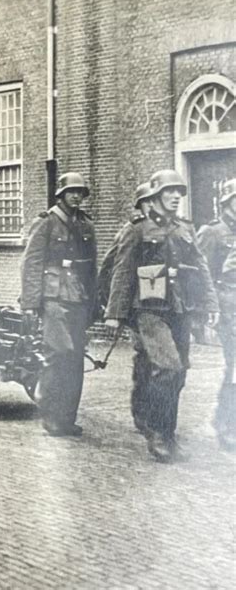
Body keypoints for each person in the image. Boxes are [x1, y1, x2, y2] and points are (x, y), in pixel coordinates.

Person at [105, 170, 219, 462]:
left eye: (179, 192)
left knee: (178, 371)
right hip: (148, 309)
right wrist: (114, 313)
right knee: (167, 367)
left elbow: (201, 267)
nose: (175, 197)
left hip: (179, 308)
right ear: (154, 198)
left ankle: (158, 424)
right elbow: (122, 272)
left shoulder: (185, 228)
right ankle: (159, 434)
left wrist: (210, 304)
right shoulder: (136, 230)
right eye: (169, 192)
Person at [20, 172, 97, 437]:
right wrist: (31, 302)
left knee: (75, 358)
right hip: (52, 296)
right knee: (59, 352)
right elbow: (31, 263)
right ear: (61, 195)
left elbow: (91, 266)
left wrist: (95, 301)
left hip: (78, 295)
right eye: (71, 192)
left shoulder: (86, 225)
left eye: (80, 192)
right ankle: (50, 415)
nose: (76, 196)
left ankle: (66, 418)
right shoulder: (47, 223)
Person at [98, 181, 154, 434]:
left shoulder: (171, 229)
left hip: (165, 306)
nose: (154, 205)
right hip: (139, 305)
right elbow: (116, 270)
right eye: (149, 201)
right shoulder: (132, 231)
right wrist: (115, 312)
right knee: (147, 356)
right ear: (141, 205)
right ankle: (142, 412)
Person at [197, 178, 236, 450]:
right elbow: (200, 272)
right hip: (229, 306)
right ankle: (225, 424)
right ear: (228, 203)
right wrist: (206, 312)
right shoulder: (214, 232)